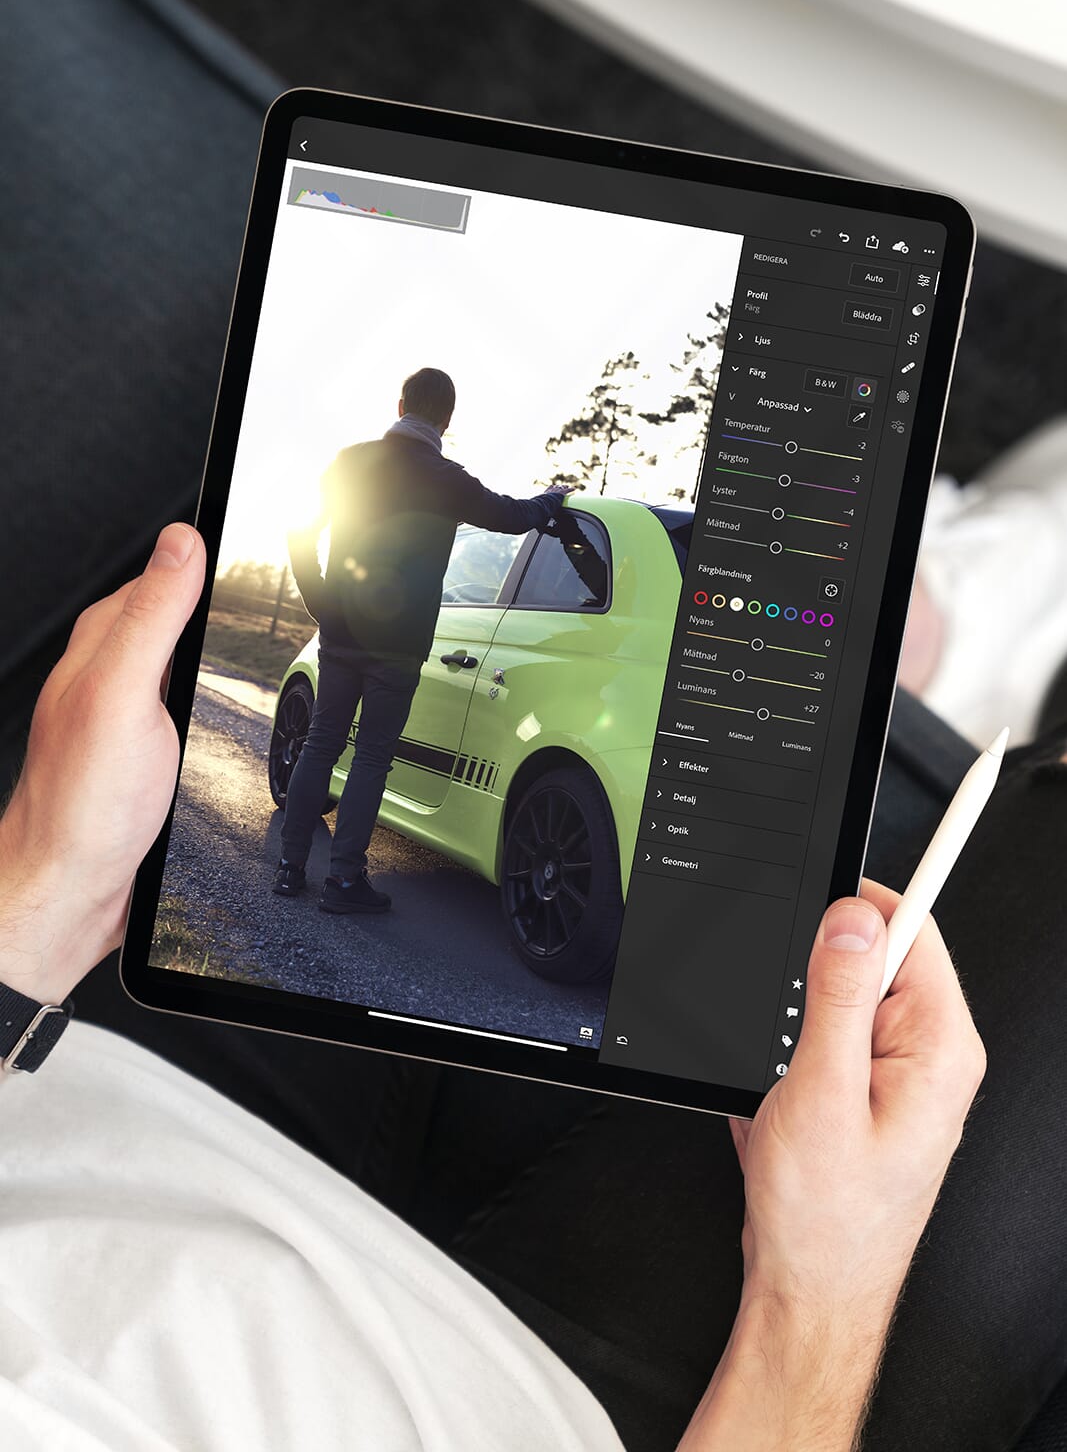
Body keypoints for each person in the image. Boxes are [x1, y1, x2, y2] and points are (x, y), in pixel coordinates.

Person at [4, 515, 1066, 1452]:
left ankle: (939, 623)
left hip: (95, 1106)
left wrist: (43, 900)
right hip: (588, 1392)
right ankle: (968, 619)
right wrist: (820, 1293)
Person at [276, 366, 569, 914]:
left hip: (341, 636)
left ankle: (291, 868)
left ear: (401, 403)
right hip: (399, 647)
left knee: (321, 742)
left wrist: (323, 605)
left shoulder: (349, 461)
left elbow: (301, 533)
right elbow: (513, 516)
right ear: (446, 418)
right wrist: (552, 498)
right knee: (371, 759)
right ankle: (343, 884)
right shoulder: (447, 479)